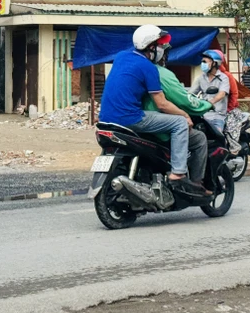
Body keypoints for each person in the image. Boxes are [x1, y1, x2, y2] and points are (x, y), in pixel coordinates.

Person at [99, 25, 208, 196]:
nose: (162, 49)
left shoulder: (121, 57)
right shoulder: (149, 67)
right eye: (160, 45)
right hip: (131, 118)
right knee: (179, 122)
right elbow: (162, 104)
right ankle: (178, 173)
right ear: (151, 47)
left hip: (105, 120)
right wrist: (185, 114)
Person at [191, 49, 230, 137]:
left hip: (218, 116)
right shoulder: (201, 78)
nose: (202, 64)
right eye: (202, 62)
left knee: (218, 136)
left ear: (214, 63)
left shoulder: (223, 78)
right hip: (203, 115)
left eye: (205, 62)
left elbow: (222, 94)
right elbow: (191, 93)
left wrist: (209, 103)